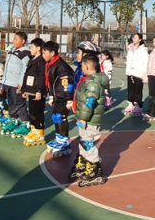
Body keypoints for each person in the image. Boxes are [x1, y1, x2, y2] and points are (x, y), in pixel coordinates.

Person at [68, 54, 109, 187]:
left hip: (89, 120)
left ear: (86, 67)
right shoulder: (89, 80)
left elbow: (89, 102)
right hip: (84, 118)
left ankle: (95, 168)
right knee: (83, 141)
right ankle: (85, 162)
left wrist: (84, 118)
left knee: (88, 142)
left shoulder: (92, 83)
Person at [42, 40, 75, 157]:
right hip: (57, 96)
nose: (43, 55)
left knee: (60, 117)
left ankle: (65, 142)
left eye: (45, 52)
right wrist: (51, 96)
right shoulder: (50, 64)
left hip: (64, 97)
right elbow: (51, 83)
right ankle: (59, 139)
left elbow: (67, 84)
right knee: (55, 117)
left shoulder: (61, 66)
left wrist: (69, 100)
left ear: (52, 52)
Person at [0, 32, 32, 135]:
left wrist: (20, 82)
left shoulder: (26, 53)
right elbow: (7, 68)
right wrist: (3, 83)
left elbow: (25, 69)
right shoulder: (13, 51)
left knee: (19, 104)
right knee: (11, 103)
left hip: (16, 84)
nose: (14, 41)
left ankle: (25, 124)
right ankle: (14, 120)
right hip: (8, 82)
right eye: (14, 39)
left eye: (16, 39)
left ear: (23, 41)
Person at [19, 38, 47, 145]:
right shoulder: (32, 59)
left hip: (37, 92)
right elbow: (28, 76)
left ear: (39, 48)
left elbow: (41, 77)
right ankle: (34, 130)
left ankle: (39, 133)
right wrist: (25, 90)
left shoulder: (41, 61)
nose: (30, 49)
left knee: (37, 113)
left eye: (32, 47)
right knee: (32, 112)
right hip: (31, 90)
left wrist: (39, 91)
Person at [124, 33, 149, 116]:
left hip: (138, 73)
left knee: (138, 90)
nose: (133, 39)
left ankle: (138, 105)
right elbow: (128, 59)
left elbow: (145, 62)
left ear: (140, 39)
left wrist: (143, 74)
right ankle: (131, 104)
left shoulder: (143, 50)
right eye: (133, 37)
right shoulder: (130, 48)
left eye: (135, 37)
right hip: (130, 72)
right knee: (130, 89)